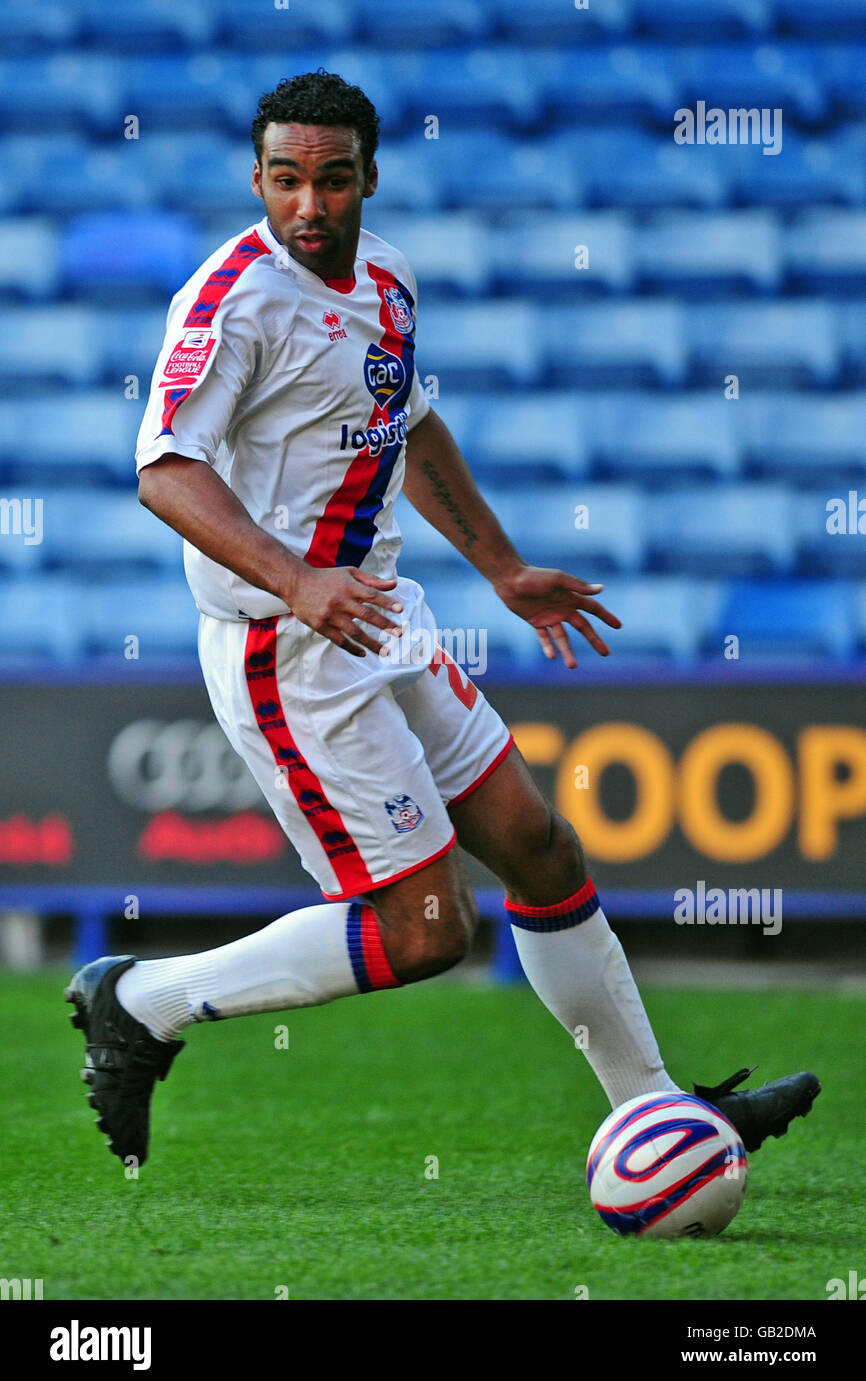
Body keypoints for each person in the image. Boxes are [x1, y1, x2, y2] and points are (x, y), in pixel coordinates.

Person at [66, 70, 819, 1168]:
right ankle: (143, 1001)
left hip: (383, 617)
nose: (308, 205)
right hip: (290, 646)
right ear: (258, 179)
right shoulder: (231, 300)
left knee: (538, 846)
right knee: (426, 933)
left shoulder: (389, 280)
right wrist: (296, 579)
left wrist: (504, 569)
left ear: (369, 175)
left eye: (331, 180)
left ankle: (656, 1110)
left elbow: (408, 431)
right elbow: (164, 471)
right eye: (285, 180)